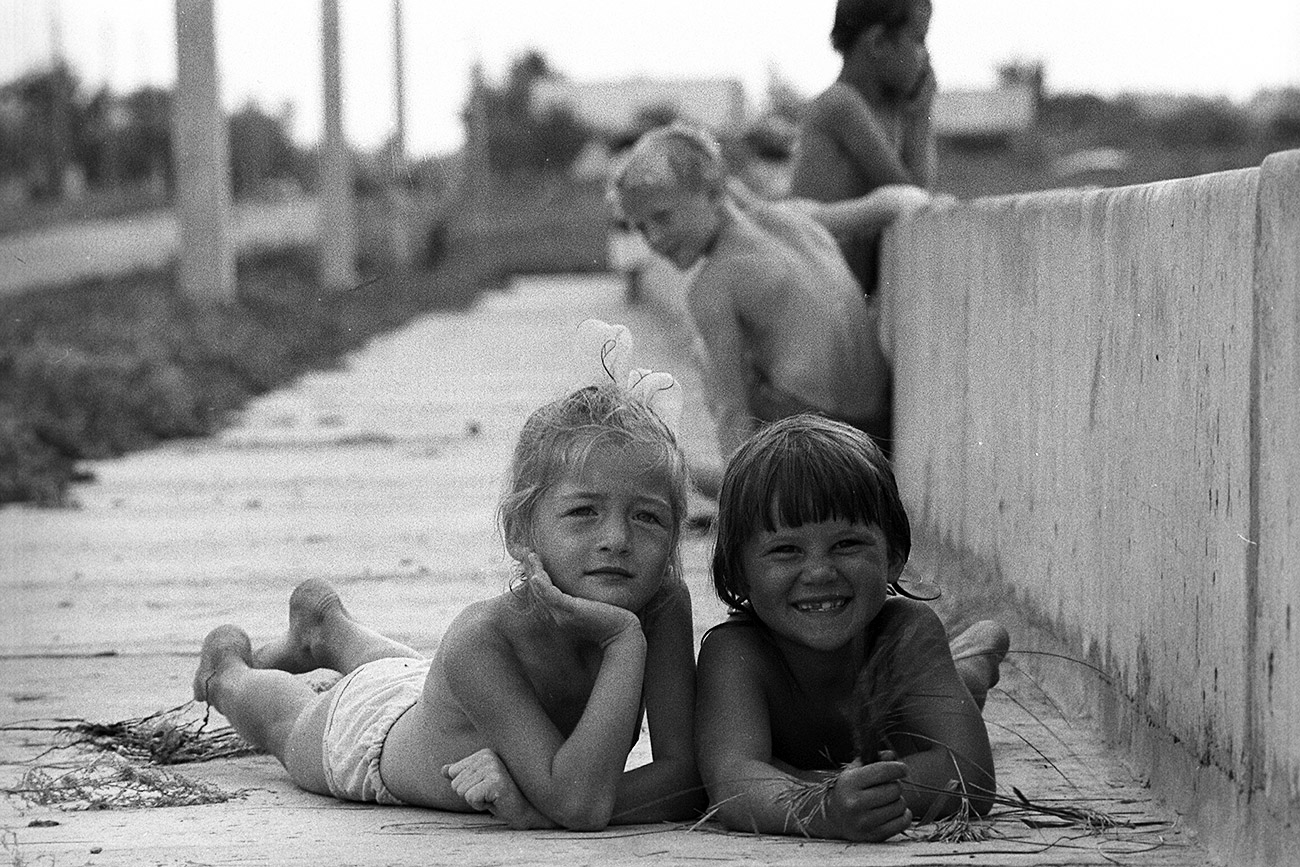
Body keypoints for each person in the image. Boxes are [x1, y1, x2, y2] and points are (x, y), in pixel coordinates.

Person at [192, 376, 704, 830]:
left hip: (437, 695)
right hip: (365, 736)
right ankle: (226, 674)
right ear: (521, 530)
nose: (616, 538)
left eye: (647, 518)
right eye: (584, 512)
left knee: (412, 676)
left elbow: (683, 781)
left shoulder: (661, 603)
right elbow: (579, 804)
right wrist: (621, 639)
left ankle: (325, 627)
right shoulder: (483, 639)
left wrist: (542, 807)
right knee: (286, 723)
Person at [695, 414, 1007, 842]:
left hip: (902, 721)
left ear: (894, 556)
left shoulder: (906, 633)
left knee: (959, 682)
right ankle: (974, 657)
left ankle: (978, 657)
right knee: (956, 685)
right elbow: (732, 784)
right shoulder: (735, 653)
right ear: (737, 574)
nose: (819, 572)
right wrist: (826, 809)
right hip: (889, 749)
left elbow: (970, 772)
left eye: (847, 544)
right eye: (785, 550)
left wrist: (831, 790)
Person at [609, 123, 932, 492]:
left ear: (715, 193)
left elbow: (733, 412)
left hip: (816, 441)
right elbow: (896, 201)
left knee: (702, 356)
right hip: (879, 426)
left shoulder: (712, 285)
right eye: (641, 228)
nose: (654, 240)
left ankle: (744, 492)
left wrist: (738, 499)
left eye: (662, 217)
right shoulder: (796, 217)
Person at [789, 0, 937, 296]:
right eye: (918, 40)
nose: (926, 57)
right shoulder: (841, 105)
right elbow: (914, 194)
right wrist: (922, 114)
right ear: (878, 43)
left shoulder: (883, 113)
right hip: (818, 290)